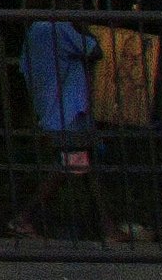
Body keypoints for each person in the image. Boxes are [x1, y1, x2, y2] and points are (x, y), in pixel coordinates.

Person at [13, 13, 105, 240]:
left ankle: (106, 224)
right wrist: (83, 27)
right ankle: (24, 217)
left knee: (82, 163)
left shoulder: (35, 28)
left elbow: (24, 66)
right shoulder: (62, 29)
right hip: (69, 109)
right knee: (71, 163)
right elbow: (95, 50)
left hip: (51, 108)